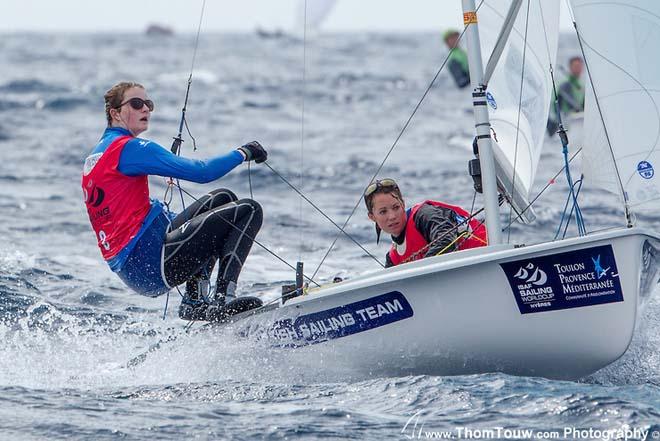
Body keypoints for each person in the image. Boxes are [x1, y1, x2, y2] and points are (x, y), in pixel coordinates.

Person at [82, 81, 267, 321]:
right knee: (248, 210)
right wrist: (244, 152)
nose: (145, 109)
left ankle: (195, 301)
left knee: (223, 199)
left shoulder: (99, 152)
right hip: (149, 262)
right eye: (136, 104)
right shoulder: (128, 149)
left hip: (136, 266)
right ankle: (225, 300)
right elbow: (202, 172)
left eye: (149, 104)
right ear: (115, 113)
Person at [364, 179, 487, 267]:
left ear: (403, 204)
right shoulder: (393, 258)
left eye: (396, 207)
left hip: (487, 260)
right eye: (383, 212)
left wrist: (415, 272)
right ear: (372, 217)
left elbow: (446, 239)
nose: (392, 216)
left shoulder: (424, 215)